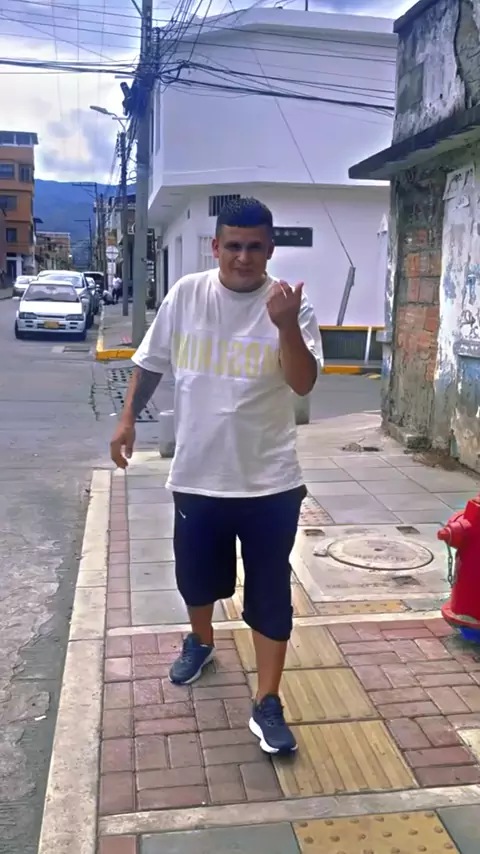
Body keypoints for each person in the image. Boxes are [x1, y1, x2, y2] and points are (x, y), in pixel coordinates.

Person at [110, 197, 322, 755]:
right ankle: (201, 641)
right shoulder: (187, 294)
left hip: (270, 482)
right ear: (215, 247)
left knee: (270, 592)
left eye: (254, 247)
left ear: (270, 250)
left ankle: (267, 701)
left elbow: (302, 383)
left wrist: (284, 326)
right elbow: (151, 362)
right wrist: (128, 419)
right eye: (233, 246)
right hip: (198, 476)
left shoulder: (290, 305)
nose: (243, 257)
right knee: (197, 580)